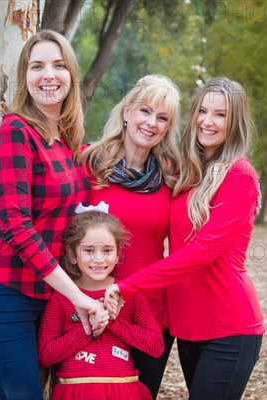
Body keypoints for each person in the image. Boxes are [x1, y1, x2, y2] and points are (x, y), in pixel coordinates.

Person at [105, 77, 265, 400]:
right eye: (203, 111)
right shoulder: (186, 172)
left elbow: (201, 252)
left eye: (220, 115)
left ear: (234, 123)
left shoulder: (240, 174)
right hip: (188, 328)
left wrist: (127, 286)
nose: (208, 121)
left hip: (229, 327)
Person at [0, 30, 108, 400]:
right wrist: (79, 296)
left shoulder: (65, 139)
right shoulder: (15, 131)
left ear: (71, 76)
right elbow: (17, 225)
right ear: (25, 77)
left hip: (50, 296)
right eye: (37, 66)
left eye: (59, 65)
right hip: (7, 292)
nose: (49, 75)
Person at [81, 74, 181, 399]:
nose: (151, 123)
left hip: (149, 314)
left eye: (162, 117)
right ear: (126, 112)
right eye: (145, 111)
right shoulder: (88, 163)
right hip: (91, 308)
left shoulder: (172, 177)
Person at [38, 207, 164, 400]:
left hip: (123, 392)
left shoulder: (129, 295)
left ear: (118, 253)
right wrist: (88, 328)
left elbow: (155, 346)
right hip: (75, 392)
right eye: (88, 250)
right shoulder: (62, 296)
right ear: (72, 254)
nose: (98, 258)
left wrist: (112, 321)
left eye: (107, 250)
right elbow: (46, 355)